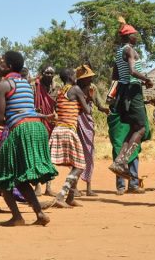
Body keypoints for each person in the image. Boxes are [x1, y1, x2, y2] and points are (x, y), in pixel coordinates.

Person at [0, 51, 57, 226]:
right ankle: (39, 213)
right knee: (20, 177)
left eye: (1, 62)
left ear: (9, 66)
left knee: (0, 175)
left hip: (21, 129)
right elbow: (27, 109)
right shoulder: (25, 83)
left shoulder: (3, 84)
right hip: (37, 128)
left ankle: (17, 217)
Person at [109, 19, 153, 179]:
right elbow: (133, 71)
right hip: (132, 91)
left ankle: (119, 161)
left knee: (135, 128)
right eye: (135, 34)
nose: (137, 37)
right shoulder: (129, 50)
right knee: (141, 128)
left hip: (123, 91)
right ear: (129, 37)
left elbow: (115, 75)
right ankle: (122, 161)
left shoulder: (119, 52)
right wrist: (146, 79)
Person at [49, 68, 90, 208]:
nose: (76, 77)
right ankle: (61, 196)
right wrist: (87, 98)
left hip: (59, 129)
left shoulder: (60, 91)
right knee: (79, 166)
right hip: (68, 130)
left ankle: (70, 198)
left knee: (76, 164)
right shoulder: (76, 89)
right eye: (74, 75)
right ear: (71, 77)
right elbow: (88, 111)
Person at [76, 64, 109, 196]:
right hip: (75, 121)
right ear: (80, 79)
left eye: (90, 77)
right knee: (77, 154)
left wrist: (107, 110)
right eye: (87, 77)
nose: (90, 79)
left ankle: (89, 187)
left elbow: (100, 105)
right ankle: (75, 187)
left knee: (89, 153)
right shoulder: (74, 89)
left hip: (87, 122)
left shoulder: (92, 88)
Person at [33, 66, 58, 196]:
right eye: (46, 72)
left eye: (51, 73)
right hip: (38, 123)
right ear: (42, 73)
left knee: (50, 156)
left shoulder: (56, 88)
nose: (48, 75)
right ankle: (37, 186)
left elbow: (58, 106)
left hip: (52, 124)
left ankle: (49, 186)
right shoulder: (35, 87)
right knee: (37, 155)